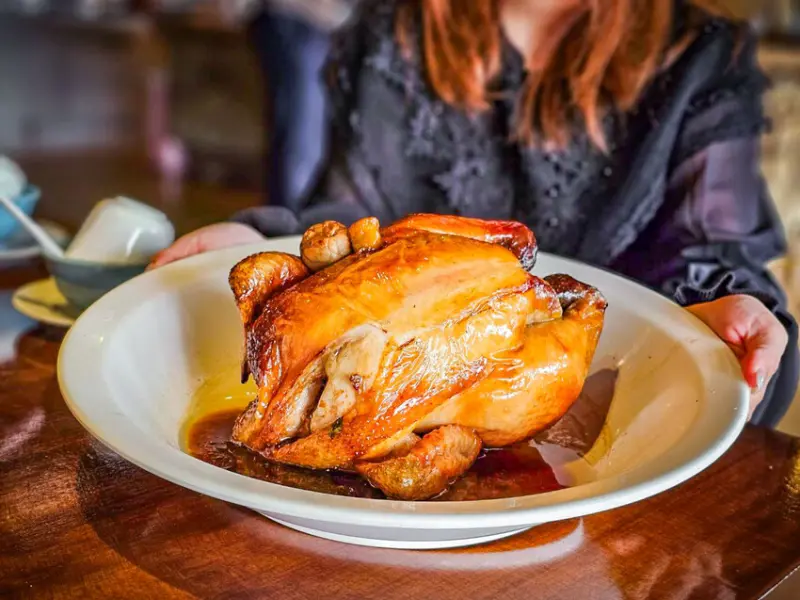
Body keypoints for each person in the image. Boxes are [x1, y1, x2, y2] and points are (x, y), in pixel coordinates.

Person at [151, 0, 799, 427]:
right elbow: (351, 219)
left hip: (610, 433)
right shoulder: (391, 30)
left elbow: (711, 251)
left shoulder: (702, 56)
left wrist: (726, 316)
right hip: (387, 408)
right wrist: (262, 239)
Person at [246, 0, 359, 209]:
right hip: (301, 17)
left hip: (328, 22)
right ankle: (290, 225)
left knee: (303, 135)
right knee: (302, 138)